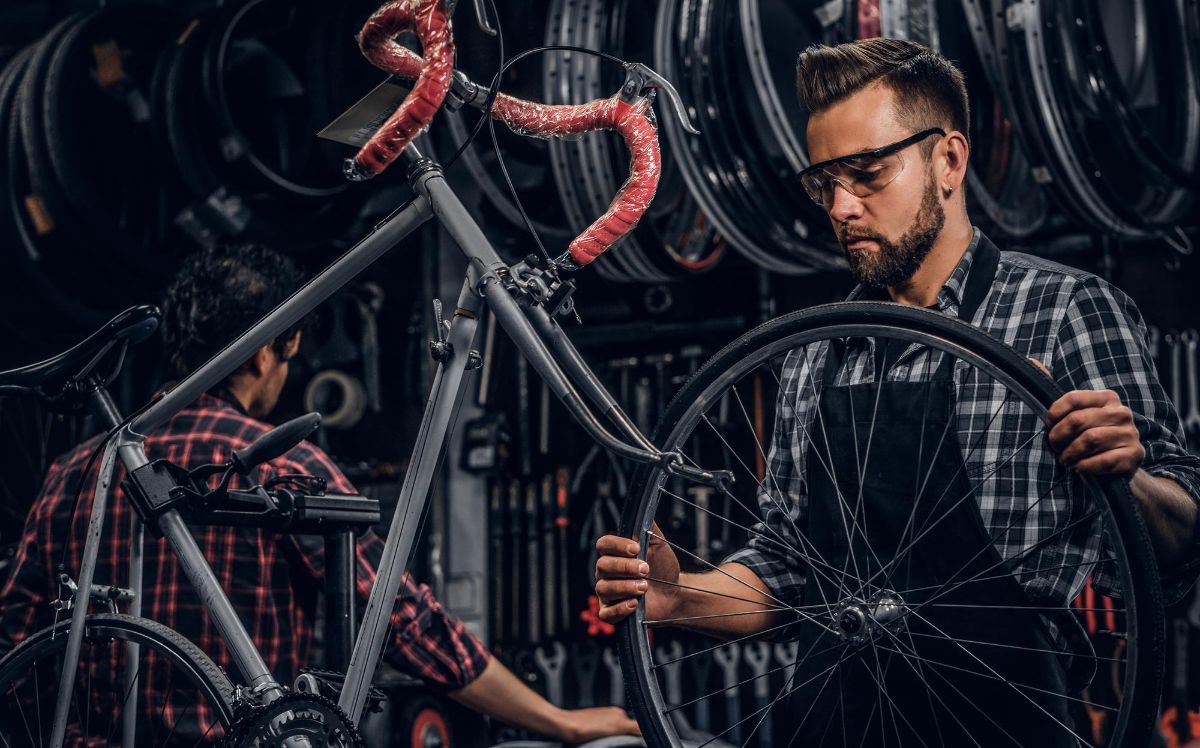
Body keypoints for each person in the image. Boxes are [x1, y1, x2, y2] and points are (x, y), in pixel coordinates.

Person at [594, 39, 1200, 745]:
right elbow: (788, 571)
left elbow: (1181, 550)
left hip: (1004, 727)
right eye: (824, 183)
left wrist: (1128, 479)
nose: (843, 207)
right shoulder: (815, 349)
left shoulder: (1062, 312)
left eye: (868, 173)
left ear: (948, 160)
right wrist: (680, 597)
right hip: (832, 724)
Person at [0, 244, 638, 743]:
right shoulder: (283, 463)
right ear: (266, 353)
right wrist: (558, 720)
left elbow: (17, 646)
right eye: (286, 352)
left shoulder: (76, 470)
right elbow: (402, 621)